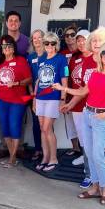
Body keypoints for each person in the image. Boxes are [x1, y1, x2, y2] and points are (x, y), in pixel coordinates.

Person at [55, 41, 105, 206]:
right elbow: (82, 92)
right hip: (87, 114)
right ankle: (94, 187)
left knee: (98, 154)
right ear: (100, 55)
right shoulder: (94, 74)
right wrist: (63, 88)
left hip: (101, 117)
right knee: (90, 152)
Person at [0, 11, 30, 158]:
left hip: (21, 91)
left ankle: (18, 149)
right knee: (5, 122)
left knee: (18, 121)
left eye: (16, 20)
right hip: (3, 94)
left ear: (20, 23)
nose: (13, 23)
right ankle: (5, 148)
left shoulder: (26, 41)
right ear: (6, 23)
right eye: (10, 20)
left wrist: (19, 83)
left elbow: (29, 69)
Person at [33, 32, 68, 173]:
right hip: (40, 97)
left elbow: (65, 81)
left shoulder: (61, 59)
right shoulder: (42, 59)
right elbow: (38, 81)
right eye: (46, 43)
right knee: (42, 128)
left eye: (52, 43)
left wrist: (63, 99)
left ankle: (54, 158)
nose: (49, 46)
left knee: (47, 128)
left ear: (56, 45)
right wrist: (34, 99)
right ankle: (45, 157)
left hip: (53, 98)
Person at [66, 30, 92, 172]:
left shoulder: (96, 57)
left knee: (91, 135)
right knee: (81, 133)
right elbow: (69, 78)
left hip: (90, 103)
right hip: (76, 101)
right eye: (79, 40)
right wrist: (68, 100)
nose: (81, 43)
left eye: (84, 40)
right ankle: (84, 156)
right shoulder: (74, 58)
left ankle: (91, 162)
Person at [60, 25, 81, 157]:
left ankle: (85, 151)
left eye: (72, 35)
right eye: (66, 35)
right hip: (66, 93)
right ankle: (76, 148)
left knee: (82, 124)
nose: (69, 38)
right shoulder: (62, 54)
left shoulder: (83, 51)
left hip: (81, 93)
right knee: (70, 123)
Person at [26, 29, 45, 161]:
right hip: (34, 96)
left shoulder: (49, 55)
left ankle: (47, 150)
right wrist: (32, 94)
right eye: (34, 38)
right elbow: (28, 77)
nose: (37, 40)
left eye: (39, 37)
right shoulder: (30, 57)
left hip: (48, 95)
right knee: (36, 124)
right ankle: (38, 149)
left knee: (47, 125)